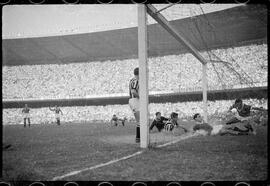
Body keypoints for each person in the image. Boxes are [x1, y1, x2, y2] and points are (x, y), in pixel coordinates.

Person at [129, 67, 140, 143]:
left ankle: (138, 138)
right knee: (140, 120)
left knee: (139, 120)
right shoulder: (135, 80)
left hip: (134, 100)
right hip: (135, 100)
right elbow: (133, 91)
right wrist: (141, 97)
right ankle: (139, 138)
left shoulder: (133, 80)